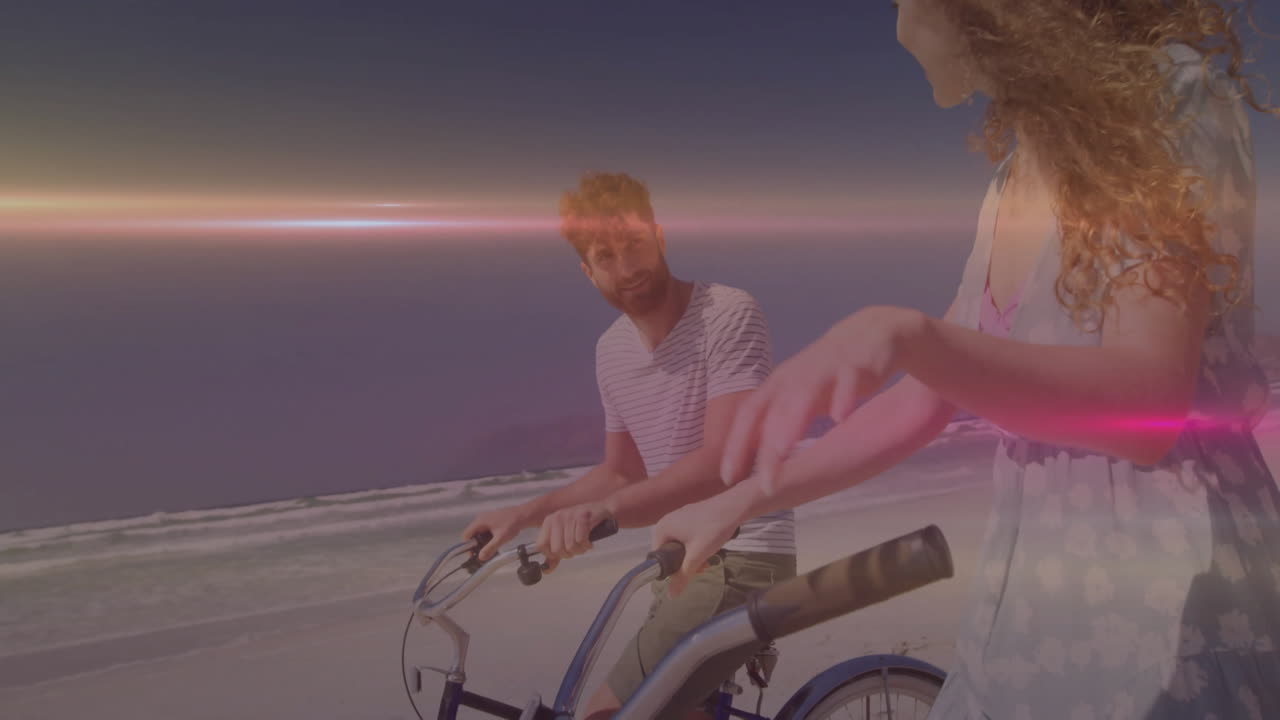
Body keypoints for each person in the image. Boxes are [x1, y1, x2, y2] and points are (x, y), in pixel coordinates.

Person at [652, 2, 1280, 718]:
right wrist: (741, 501)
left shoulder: (1169, 97)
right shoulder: (1014, 172)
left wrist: (910, 335)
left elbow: (1148, 406)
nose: (895, 28)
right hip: (1030, 600)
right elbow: (927, 397)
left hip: (1170, 601)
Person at [461, 172, 797, 719]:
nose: (627, 267)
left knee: (603, 714)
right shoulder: (610, 352)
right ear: (587, 270)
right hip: (672, 562)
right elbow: (621, 472)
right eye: (606, 255)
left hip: (742, 556)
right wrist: (522, 514)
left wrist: (603, 513)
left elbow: (723, 465)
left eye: (635, 244)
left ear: (660, 237)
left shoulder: (728, 314)